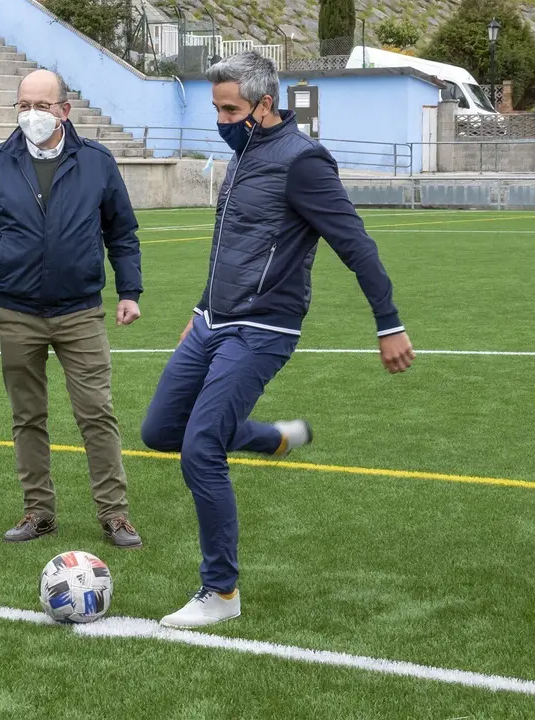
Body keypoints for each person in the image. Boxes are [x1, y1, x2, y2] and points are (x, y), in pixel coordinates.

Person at [140, 52, 415, 629]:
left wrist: (388, 323)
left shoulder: (303, 162)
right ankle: (271, 439)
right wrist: (200, 307)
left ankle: (220, 592)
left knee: (200, 450)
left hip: (263, 329)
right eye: (215, 108)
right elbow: (233, 245)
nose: (220, 119)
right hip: (213, 319)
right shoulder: (243, 154)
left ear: (265, 104)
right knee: (161, 431)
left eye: (230, 109)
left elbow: (355, 244)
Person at [0, 69, 145, 550]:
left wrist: (129, 291)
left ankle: (114, 515)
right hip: (16, 312)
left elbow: (121, 232)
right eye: (23, 106)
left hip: (81, 311)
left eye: (41, 105)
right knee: (27, 416)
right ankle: (39, 511)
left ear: (64, 110)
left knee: (97, 413)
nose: (31, 115)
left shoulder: (97, 161)